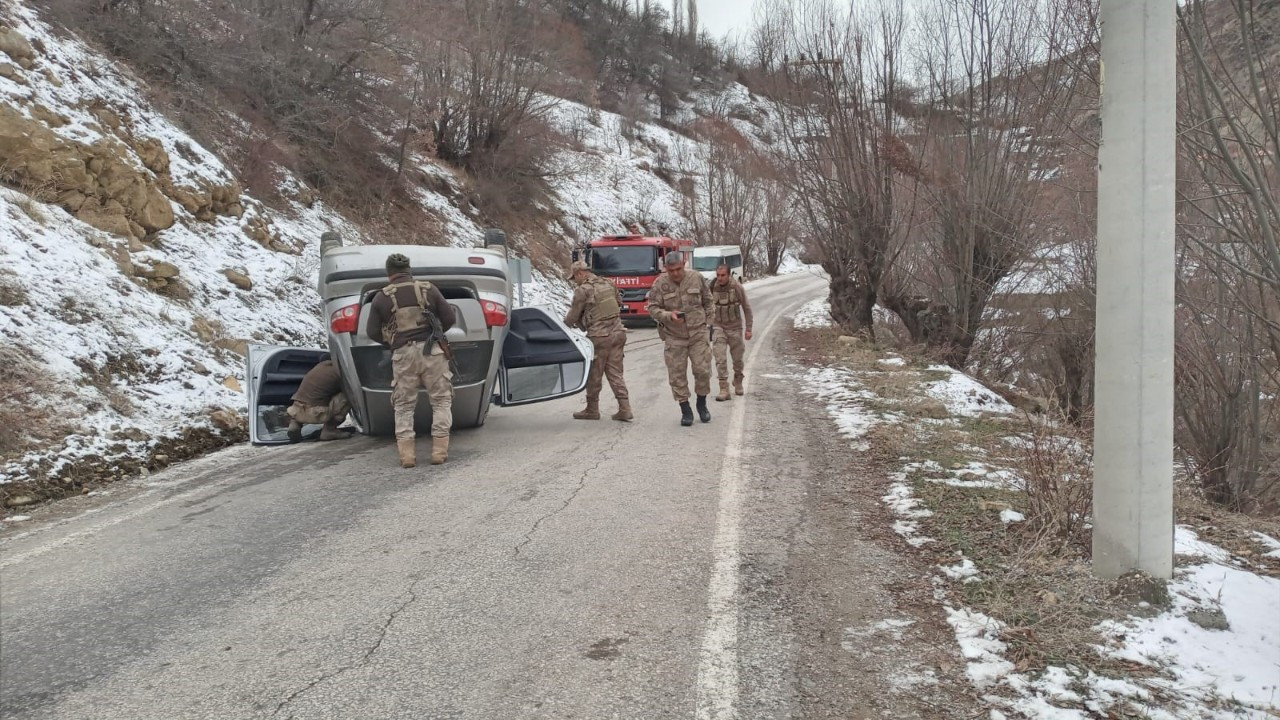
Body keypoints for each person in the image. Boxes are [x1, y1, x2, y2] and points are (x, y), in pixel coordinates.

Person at [366, 253, 457, 468]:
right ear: (409, 270)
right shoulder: (428, 289)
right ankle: (439, 451)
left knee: (404, 405)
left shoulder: (381, 297)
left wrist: (391, 342)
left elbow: (371, 332)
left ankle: (407, 456)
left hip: (403, 355)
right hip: (432, 352)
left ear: (389, 274)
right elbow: (450, 318)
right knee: (441, 400)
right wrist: (436, 333)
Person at [646, 251, 714, 426]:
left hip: (698, 333)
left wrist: (708, 323)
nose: (675, 273)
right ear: (666, 269)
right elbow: (652, 308)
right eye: (671, 270)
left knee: (703, 370)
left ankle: (701, 403)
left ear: (683, 264)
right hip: (674, 336)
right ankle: (685, 409)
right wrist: (668, 315)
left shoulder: (696, 277)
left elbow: (708, 301)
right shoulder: (660, 284)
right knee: (677, 375)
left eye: (678, 269)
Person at [564, 260, 633, 422]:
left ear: (580, 273)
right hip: (618, 333)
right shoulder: (608, 283)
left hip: (599, 337)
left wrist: (564, 325)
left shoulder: (583, 290)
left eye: (575, 278)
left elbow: (573, 316)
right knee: (615, 372)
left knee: (594, 373)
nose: (575, 282)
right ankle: (625, 408)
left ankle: (592, 409)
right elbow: (618, 303)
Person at [708, 263, 754, 401]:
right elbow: (705, 304)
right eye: (718, 275)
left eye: (723, 275)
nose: (720, 278)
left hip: (735, 327)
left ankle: (738, 380)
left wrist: (749, 329)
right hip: (718, 327)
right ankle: (724, 388)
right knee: (720, 358)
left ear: (728, 275)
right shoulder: (712, 287)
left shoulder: (737, 287)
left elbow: (746, 308)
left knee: (737, 359)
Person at [286, 357, 353, 443]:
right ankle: (329, 430)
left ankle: (295, 423)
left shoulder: (317, 368)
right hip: (315, 412)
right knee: (349, 394)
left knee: (315, 396)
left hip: (296, 409)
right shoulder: (338, 370)